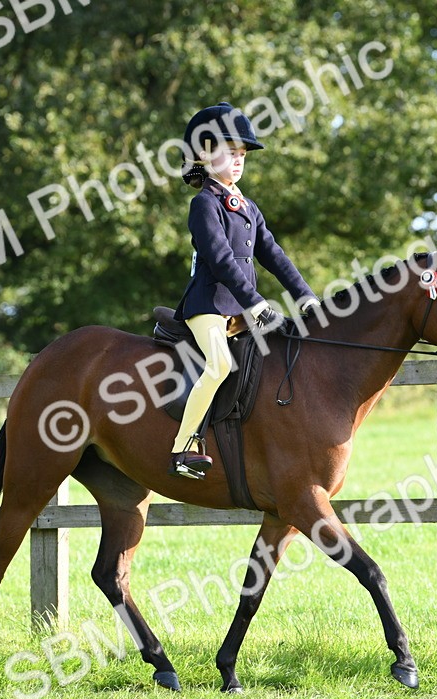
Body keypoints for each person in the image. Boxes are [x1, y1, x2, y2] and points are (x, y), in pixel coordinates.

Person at [168, 102, 320, 480]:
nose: (237, 161)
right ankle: (183, 448)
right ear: (204, 154)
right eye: (229, 153)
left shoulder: (248, 207)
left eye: (241, 155)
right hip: (209, 305)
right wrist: (256, 303)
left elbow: (274, 255)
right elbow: (220, 260)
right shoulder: (204, 204)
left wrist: (305, 295)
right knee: (219, 365)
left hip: (242, 307)